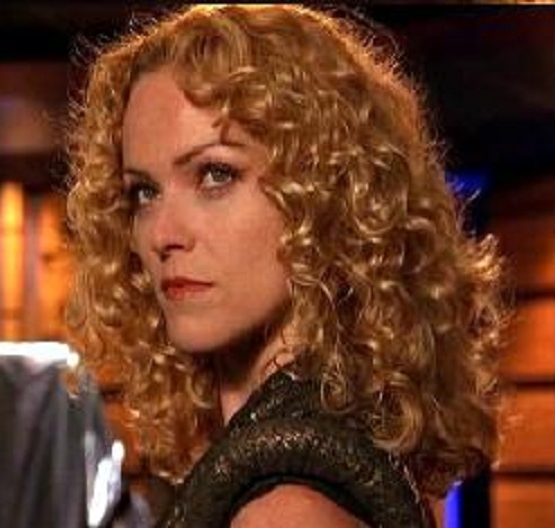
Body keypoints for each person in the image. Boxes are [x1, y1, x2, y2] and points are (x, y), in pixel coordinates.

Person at [65, 4, 506, 527]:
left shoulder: (288, 510)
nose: (163, 234)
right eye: (144, 192)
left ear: (323, 191)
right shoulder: (310, 448)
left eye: (215, 175)